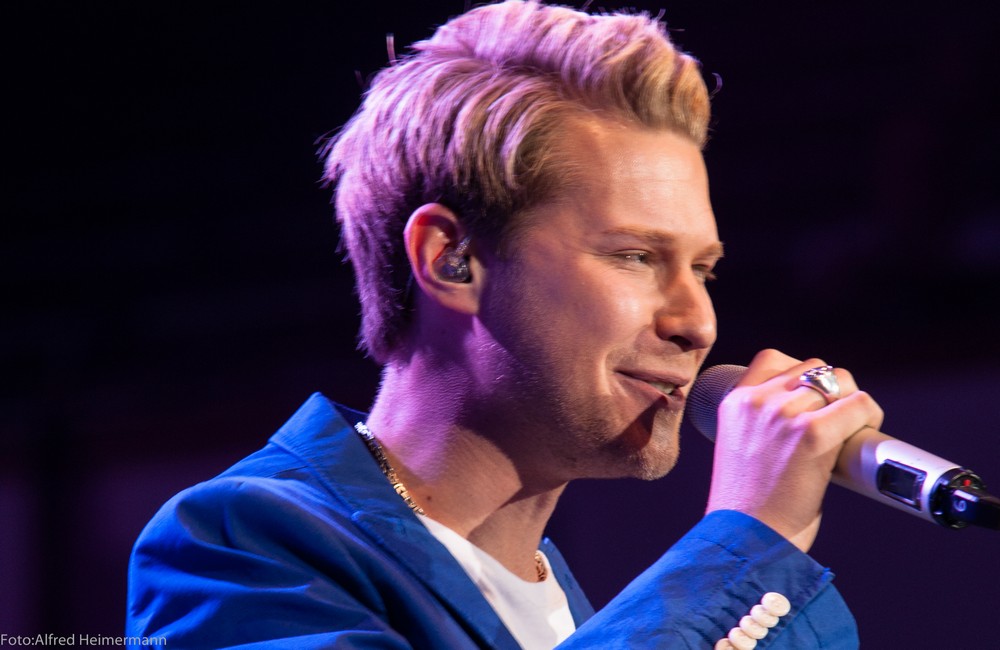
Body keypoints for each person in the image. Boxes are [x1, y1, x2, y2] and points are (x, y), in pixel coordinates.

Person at [126, 1, 883, 648]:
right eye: (634, 256)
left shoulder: (574, 612)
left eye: (704, 270)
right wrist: (750, 542)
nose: (698, 323)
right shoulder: (241, 544)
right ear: (451, 260)